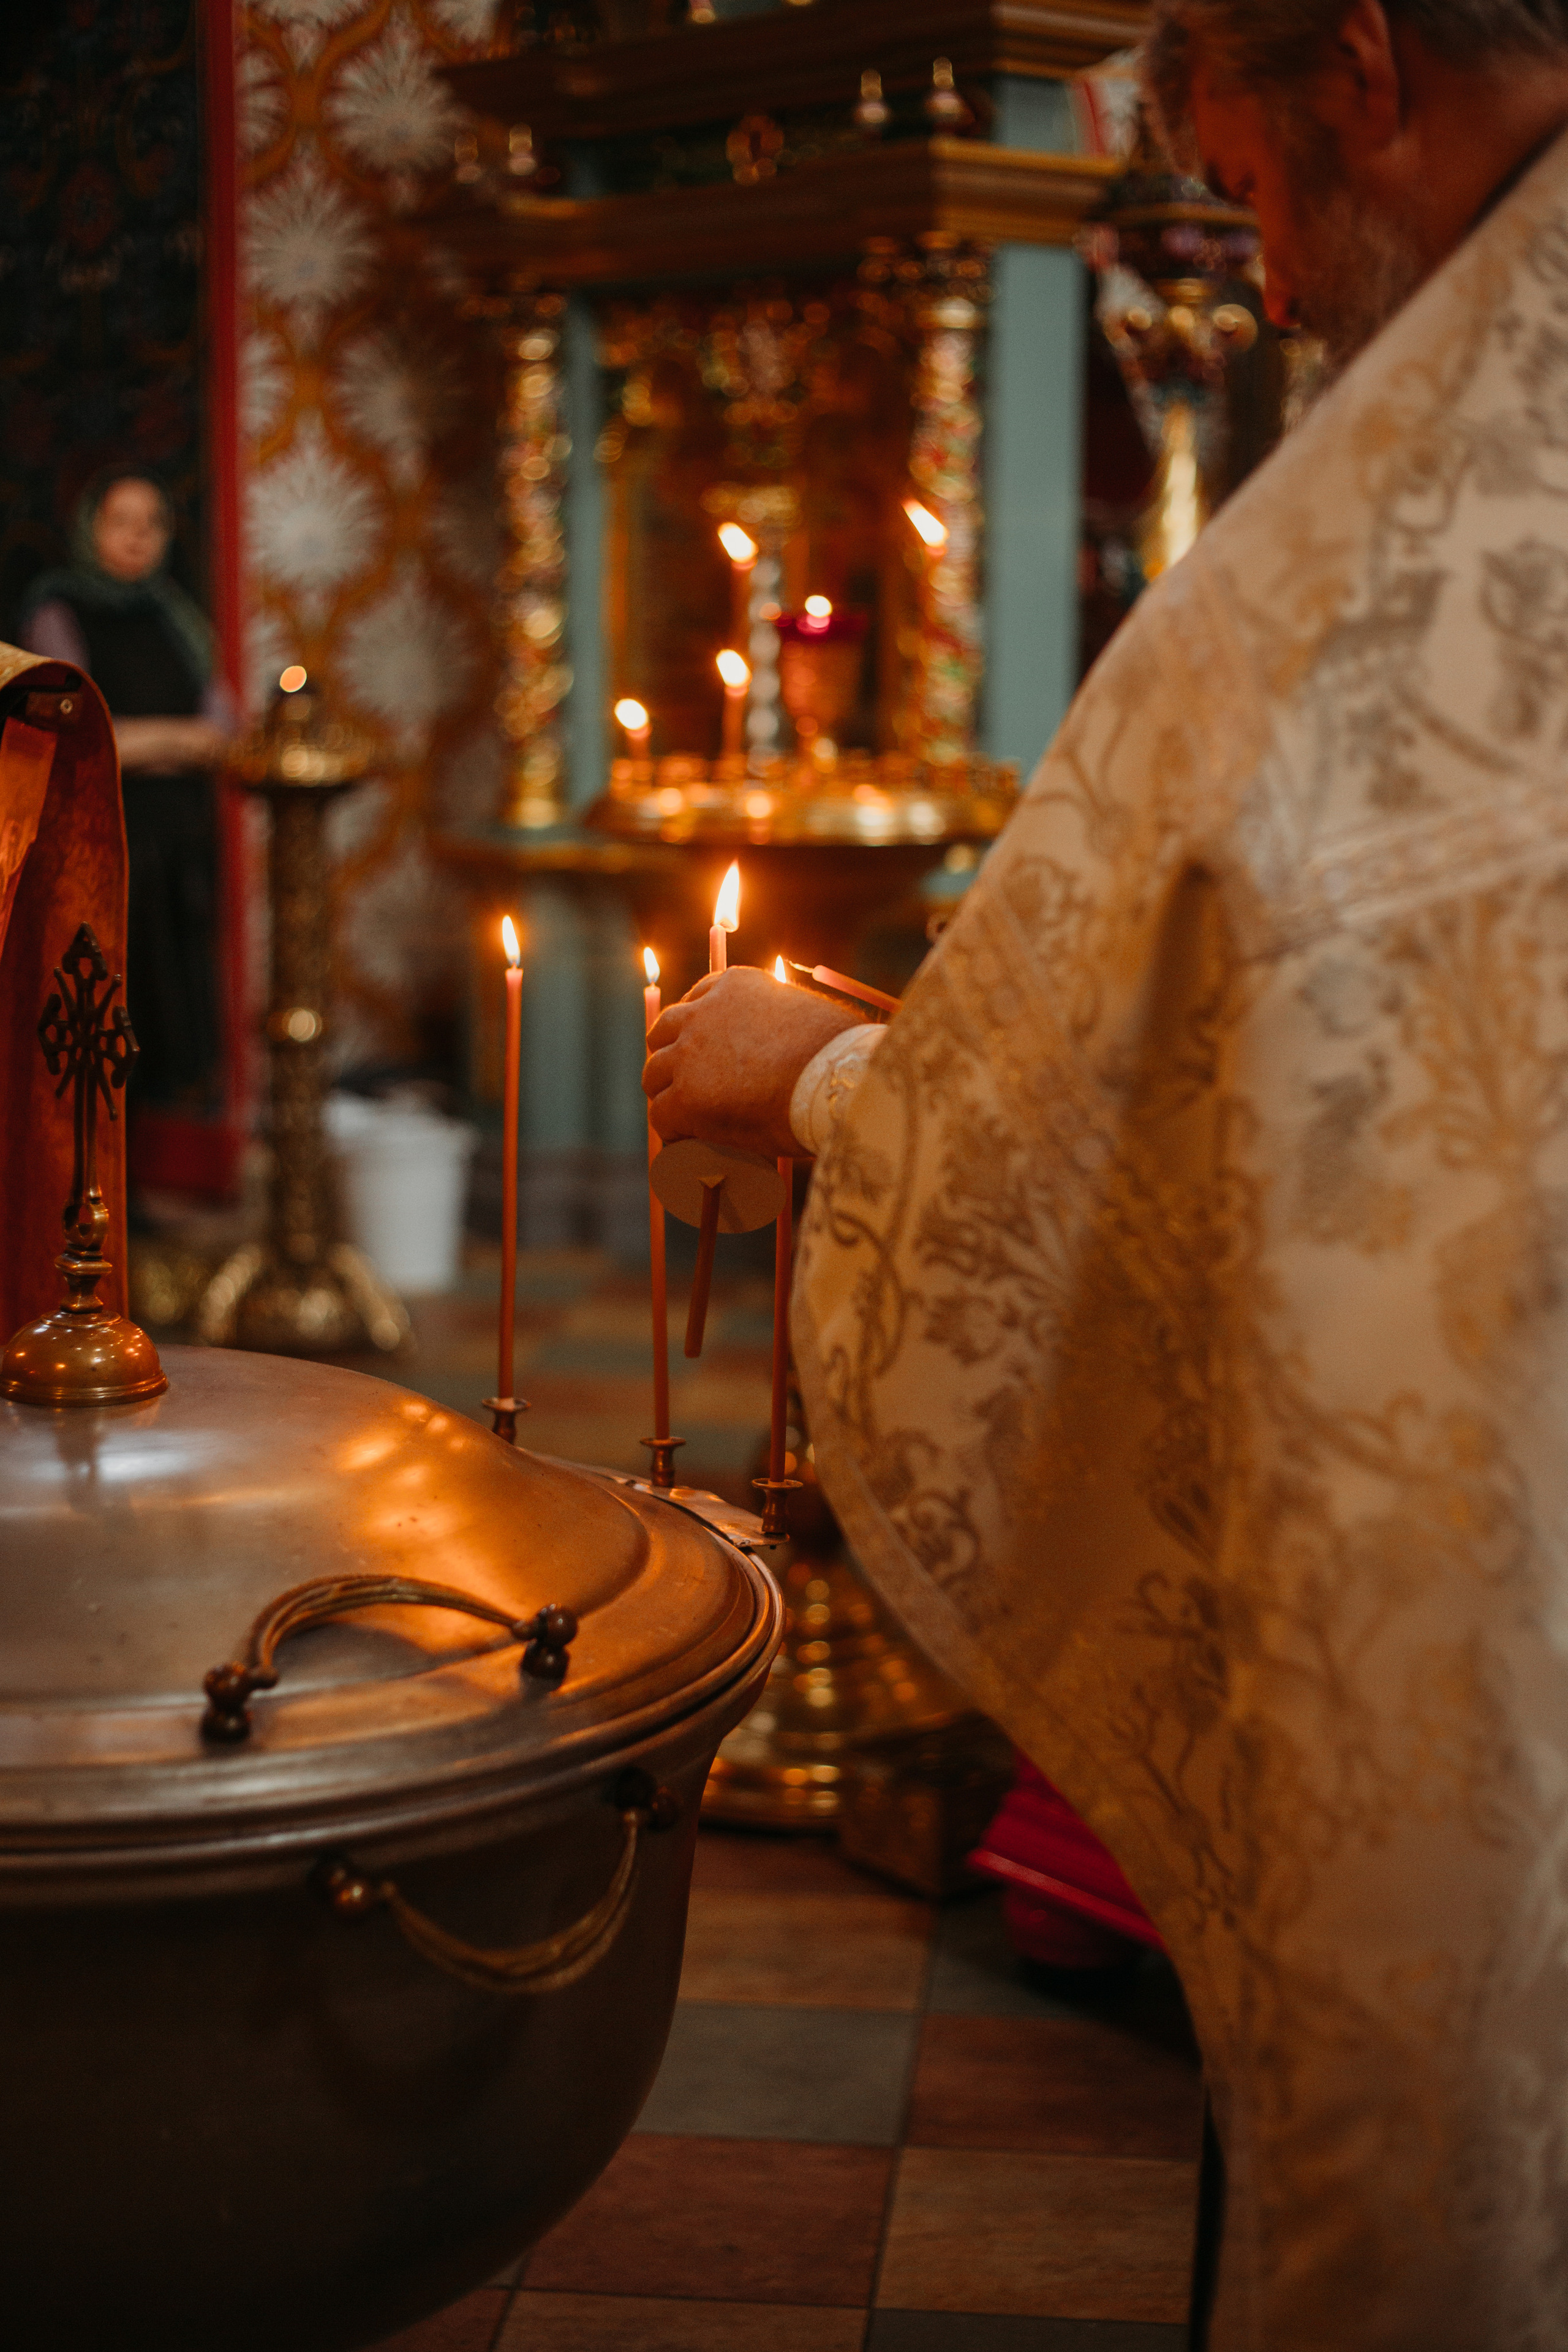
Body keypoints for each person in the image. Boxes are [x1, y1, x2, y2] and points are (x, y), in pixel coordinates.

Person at [645, 6, 1568, 2342]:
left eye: (1245, 190)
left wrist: (822, 1089)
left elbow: (1238, 1108)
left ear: (1356, 67)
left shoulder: (1425, 524)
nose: (1257, 281)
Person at [21, 473, 233, 1117]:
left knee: (163, 1012)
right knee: (99, 1011)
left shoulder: (176, 615)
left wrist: (144, 741)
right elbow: (76, 733)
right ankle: (95, 1196)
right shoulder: (57, 611)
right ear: (90, 529)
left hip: (176, 841)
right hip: (98, 841)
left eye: (153, 522)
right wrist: (175, 737)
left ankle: (137, 1182)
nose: (139, 537)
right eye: (122, 521)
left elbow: (225, 732)